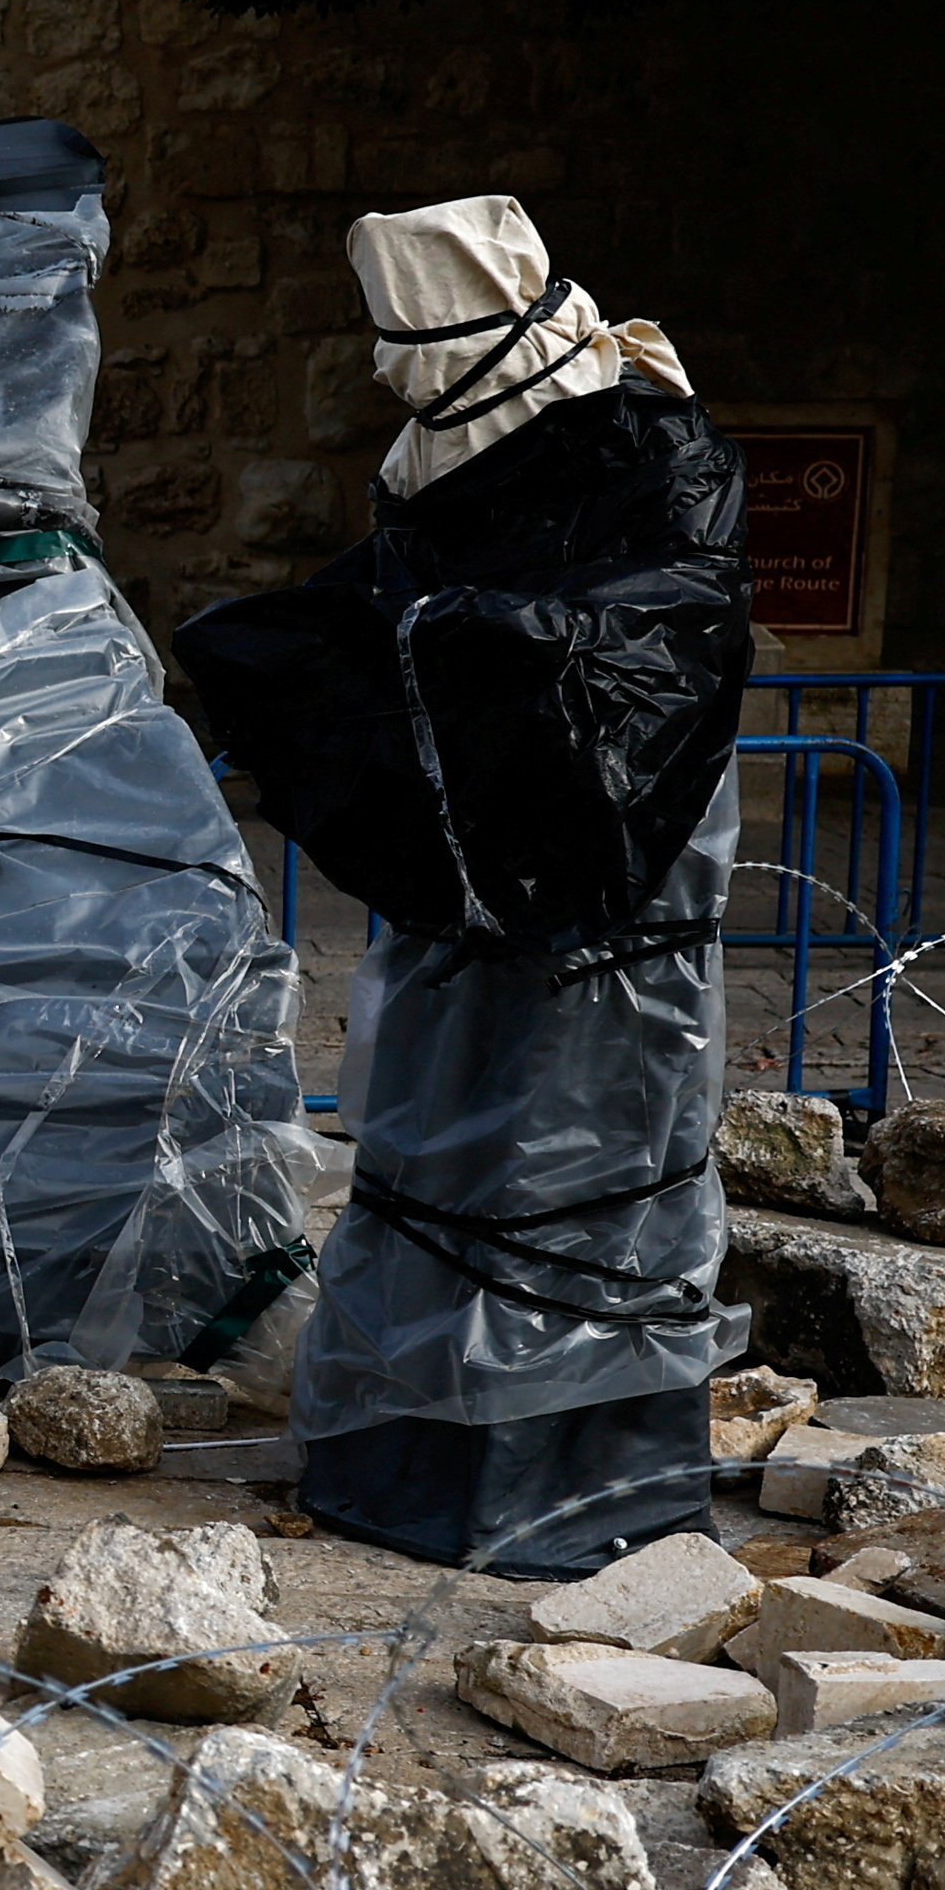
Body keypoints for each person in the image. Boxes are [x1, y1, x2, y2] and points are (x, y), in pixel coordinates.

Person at [175, 200, 752, 1576]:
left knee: (581, 1155)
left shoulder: (646, 445)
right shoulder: (441, 457)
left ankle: (564, 1475)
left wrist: (485, 641)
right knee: (445, 1146)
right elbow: (400, 617)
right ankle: (416, 1449)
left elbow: (663, 650)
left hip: (615, 899)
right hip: (476, 886)